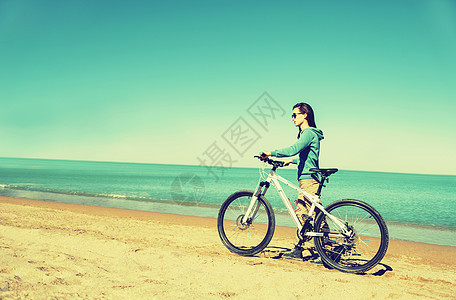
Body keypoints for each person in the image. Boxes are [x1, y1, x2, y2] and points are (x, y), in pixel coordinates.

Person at [261, 102, 324, 265]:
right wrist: (292, 161)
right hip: (307, 178)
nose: (293, 118)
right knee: (305, 214)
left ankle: (323, 251)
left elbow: (293, 148)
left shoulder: (308, 133)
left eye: (295, 115)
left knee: (311, 214)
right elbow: (307, 157)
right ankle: (306, 247)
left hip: (309, 180)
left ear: (305, 115)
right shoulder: (309, 134)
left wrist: (272, 152)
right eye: (292, 116)